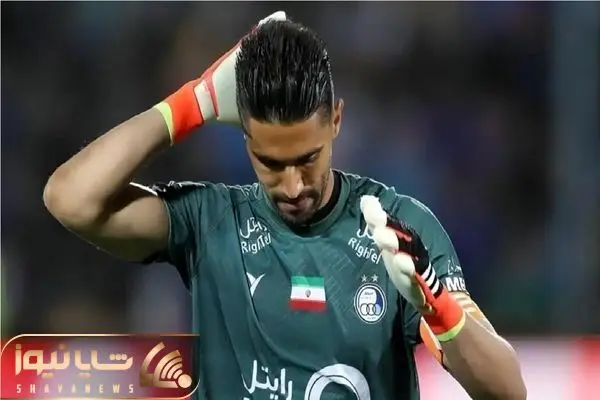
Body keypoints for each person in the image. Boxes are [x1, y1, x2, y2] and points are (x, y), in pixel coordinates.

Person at [43, 11, 526, 400]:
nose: (293, 186)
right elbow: (70, 199)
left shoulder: (399, 230)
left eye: (307, 158)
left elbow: (507, 390)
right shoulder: (210, 222)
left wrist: (437, 304)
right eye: (270, 163)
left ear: (336, 121)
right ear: (245, 139)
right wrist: (194, 102)